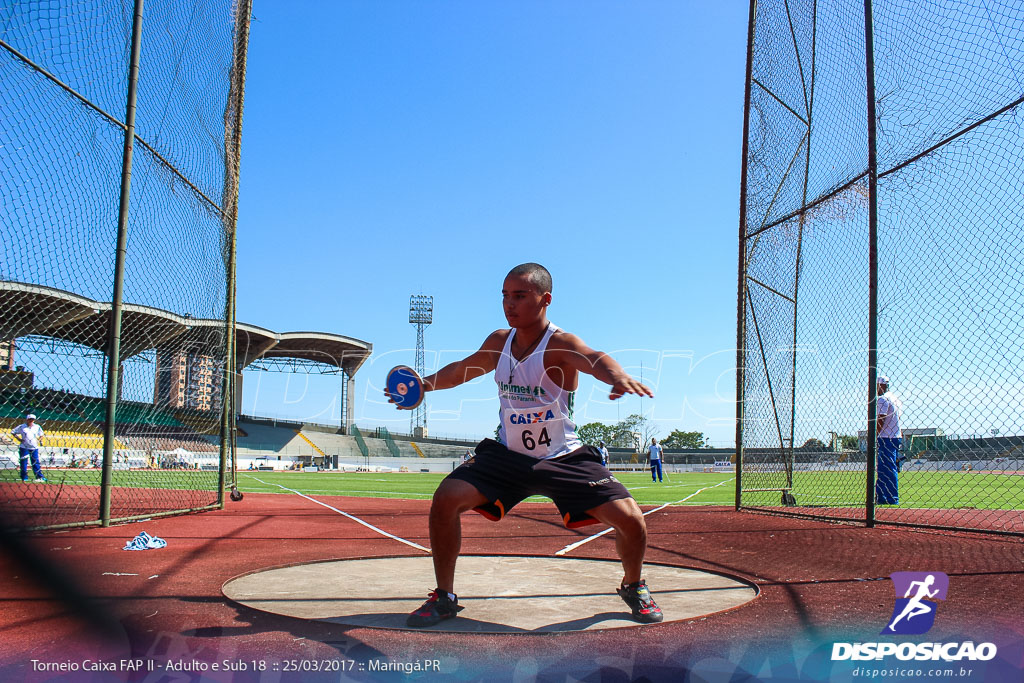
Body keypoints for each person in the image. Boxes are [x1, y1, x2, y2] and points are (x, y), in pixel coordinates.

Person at [389, 263, 663, 627]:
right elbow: (463, 369)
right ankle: (444, 597)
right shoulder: (499, 342)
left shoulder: (560, 344)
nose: (509, 303)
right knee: (446, 498)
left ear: (545, 299)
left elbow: (595, 358)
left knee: (631, 521)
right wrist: (425, 384)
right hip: (507, 455)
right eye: (505, 295)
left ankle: (633, 586)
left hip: (563, 456)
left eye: (519, 295)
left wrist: (618, 375)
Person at [875, 374, 903, 505]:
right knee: (885, 467)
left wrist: (875, 435)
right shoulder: (895, 399)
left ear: (880, 385)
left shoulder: (882, 399)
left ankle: (891, 497)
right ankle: (882, 497)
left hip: (886, 437)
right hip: (895, 436)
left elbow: (881, 419)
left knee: (886, 467)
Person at [12, 413, 46, 482]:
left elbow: (41, 434)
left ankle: (39, 476)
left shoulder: (37, 427)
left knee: (36, 462)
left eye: (32, 419)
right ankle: (24, 477)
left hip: (34, 447)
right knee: (24, 462)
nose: (31, 421)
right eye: (30, 419)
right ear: (27, 419)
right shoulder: (22, 427)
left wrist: (38, 440)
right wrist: (19, 439)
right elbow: (13, 432)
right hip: (24, 447)